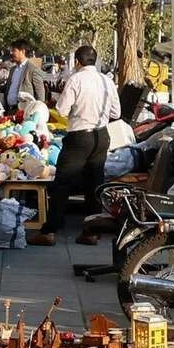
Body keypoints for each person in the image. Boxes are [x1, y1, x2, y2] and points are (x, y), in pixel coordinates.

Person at [48, 44, 119, 227]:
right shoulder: (107, 81)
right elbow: (116, 113)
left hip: (79, 136)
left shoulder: (76, 79)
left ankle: (50, 229)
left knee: (63, 180)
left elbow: (62, 110)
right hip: (101, 136)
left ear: (77, 62)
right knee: (94, 183)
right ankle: (92, 230)